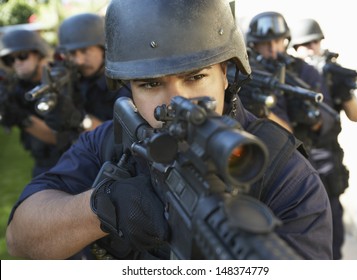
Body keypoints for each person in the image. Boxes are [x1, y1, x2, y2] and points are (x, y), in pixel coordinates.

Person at [5, 0, 332, 260]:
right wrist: (104, 207)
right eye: (150, 83)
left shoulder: (280, 169)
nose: (176, 101)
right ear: (128, 88)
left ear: (226, 73)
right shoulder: (111, 142)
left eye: (195, 77)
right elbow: (20, 239)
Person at [289, 18, 357, 260]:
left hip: (328, 163)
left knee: (333, 237)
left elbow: (355, 115)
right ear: (295, 49)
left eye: (315, 43)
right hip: (296, 163)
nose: (312, 48)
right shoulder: (288, 75)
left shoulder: (330, 73)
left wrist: (341, 90)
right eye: (306, 44)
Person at [243, 11, 337, 152]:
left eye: (277, 41)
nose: (273, 49)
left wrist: (314, 120)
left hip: (298, 154)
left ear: (285, 41)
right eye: (265, 43)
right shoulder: (246, 73)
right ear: (254, 45)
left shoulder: (305, 71)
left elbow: (330, 120)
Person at [43, 12, 130, 149]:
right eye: (72, 54)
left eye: (85, 51)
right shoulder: (76, 79)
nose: (79, 61)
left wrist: (81, 120)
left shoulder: (124, 84)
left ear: (104, 48)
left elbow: (122, 139)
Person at [0, 29, 63, 177]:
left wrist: (20, 117)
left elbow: (57, 137)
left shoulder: (60, 82)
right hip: (42, 162)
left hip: (69, 160)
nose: (17, 63)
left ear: (38, 53)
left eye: (22, 56)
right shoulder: (19, 87)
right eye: (10, 59)